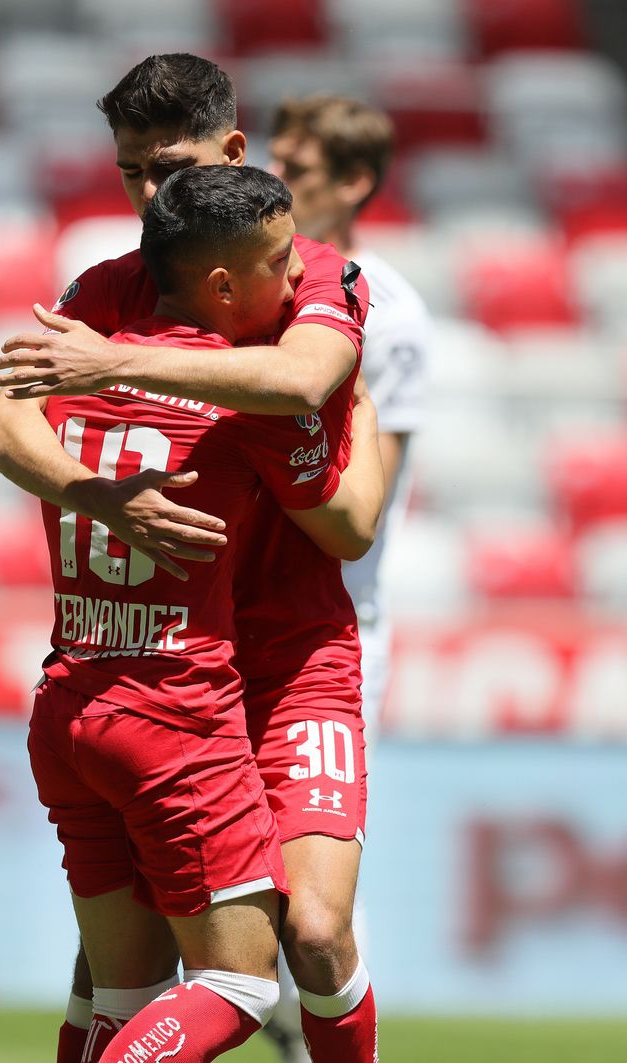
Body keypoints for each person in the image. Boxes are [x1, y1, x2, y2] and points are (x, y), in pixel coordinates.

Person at [0, 54, 380, 1063]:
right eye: (131, 175)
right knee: (139, 972)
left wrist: (112, 361)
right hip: (161, 666)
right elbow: (2, 427)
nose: (153, 199)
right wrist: (98, 495)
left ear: (236, 156)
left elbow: (315, 419)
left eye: (172, 169)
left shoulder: (301, 271)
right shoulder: (111, 285)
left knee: (317, 934)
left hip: (285, 659)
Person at [261, 95, 431, 1063]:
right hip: (233, 618)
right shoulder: (251, 286)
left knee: (309, 908)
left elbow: (363, 504)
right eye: (277, 159)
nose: (284, 180)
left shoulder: (391, 315)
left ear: (357, 183)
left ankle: (296, 1026)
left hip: (334, 625)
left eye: (306, 166)